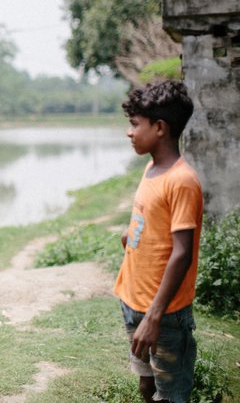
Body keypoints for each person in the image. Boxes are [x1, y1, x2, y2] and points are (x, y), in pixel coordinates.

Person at [114, 80, 203, 403]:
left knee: (171, 394)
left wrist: (154, 316)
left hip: (162, 313)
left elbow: (182, 254)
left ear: (160, 127)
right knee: (145, 384)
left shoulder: (182, 181)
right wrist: (131, 236)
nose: (129, 132)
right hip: (133, 302)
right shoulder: (152, 168)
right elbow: (153, 222)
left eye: (135, 124)